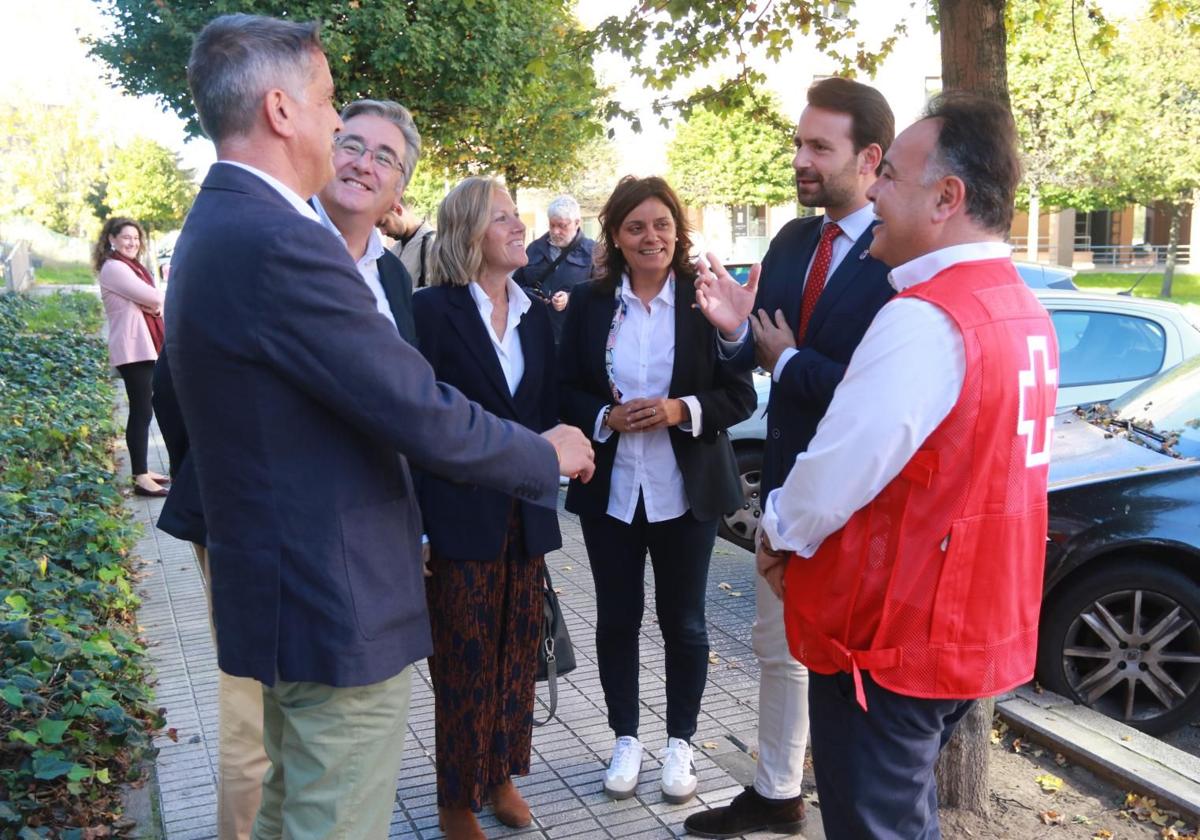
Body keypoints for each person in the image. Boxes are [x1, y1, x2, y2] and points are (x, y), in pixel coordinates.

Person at [166, 15, 594, 838]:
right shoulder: (280, 239)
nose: (339, 127)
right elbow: (414, 407)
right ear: (283, 110)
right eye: (330, 105)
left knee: (294, 808)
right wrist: (541, 452)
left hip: (296, 589)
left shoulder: (225, 223)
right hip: (333, 595)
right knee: (332, 817)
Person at [752, 93, 1058, 838]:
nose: (876, 189)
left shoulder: (927, 317)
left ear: (947, 197)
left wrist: (776, 531)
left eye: (890, 174)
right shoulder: (1021, 310)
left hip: (892, 638)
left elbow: (838, 468)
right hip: (963, 629)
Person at [152, 96, 423, 840]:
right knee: (252, 745)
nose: (363, 163)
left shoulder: (393, 280)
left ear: (400, 188)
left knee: (301, 765)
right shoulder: (268, 236)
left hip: (359, 557)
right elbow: (175, 387)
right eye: (351, 142)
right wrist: (240, 491)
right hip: (262, 543)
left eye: (384, 157)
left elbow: (404, 407)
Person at [685, 77, 896, 837]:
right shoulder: (791, 241)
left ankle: (855, 811)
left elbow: (886, 398)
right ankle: (776, 792)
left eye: (818, 147)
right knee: (777, 648)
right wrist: (735, 331)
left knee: (843, 673)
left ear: (869, 157)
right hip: (785, 494)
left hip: (855, 506)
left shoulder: (900, 253)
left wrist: (790, 358)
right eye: (798, 142)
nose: (800, 159)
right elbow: (757, 348)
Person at [559, 176, 756, 805]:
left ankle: (681, 743)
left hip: (685, 491)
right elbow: (562, 388)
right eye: (637, 226)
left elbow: (740, 395)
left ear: (678, 230)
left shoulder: (701, 302)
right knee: (616, 619)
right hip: (611, 491)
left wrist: (681, 409)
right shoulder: (592, 304)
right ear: (615, 235)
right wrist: (602, 418)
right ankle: (625, 738)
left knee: (686, 623)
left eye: (662, 224)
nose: (652, 237)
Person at [410, 177, 560, 840]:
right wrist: (414, 529)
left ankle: (499, 774)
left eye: (516, 215)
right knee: (463, 661)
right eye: (503, 218)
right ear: (469, 233)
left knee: (516, 655)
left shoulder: (538, 315)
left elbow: (548, 415)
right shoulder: (430, 313)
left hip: (524, 518)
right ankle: (454, 797)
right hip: (456, 519)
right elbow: (412, 426)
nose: (519, 226)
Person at [93, 217, 170, 498]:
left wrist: (152, 304)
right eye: (126, 237)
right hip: (131, 348)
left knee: (144, 409)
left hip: (142, 346)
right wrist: (152, 303)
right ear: (111, 239)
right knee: (140, 410)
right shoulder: (114, 268)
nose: (132, 243)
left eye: (136, 239)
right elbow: (152, 296)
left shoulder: (131, 267)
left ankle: (144, 470)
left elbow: (152, 303)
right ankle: (140, 476)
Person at [513, 194, 594, 345]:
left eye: (562, 226)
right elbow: (514, 286)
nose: (555, 231)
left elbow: (604, 293)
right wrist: (530, 295)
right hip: (536, 334)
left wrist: (571, 298)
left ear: (577, 223)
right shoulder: (534, 248)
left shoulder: (593, 252)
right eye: (552, 225)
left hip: (576, 338)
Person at [382, 199, 436, 288]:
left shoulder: (432, 243)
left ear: (398, 210)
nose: (382, 232)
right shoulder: (394, 249)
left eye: (384, 224)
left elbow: (435, 291)